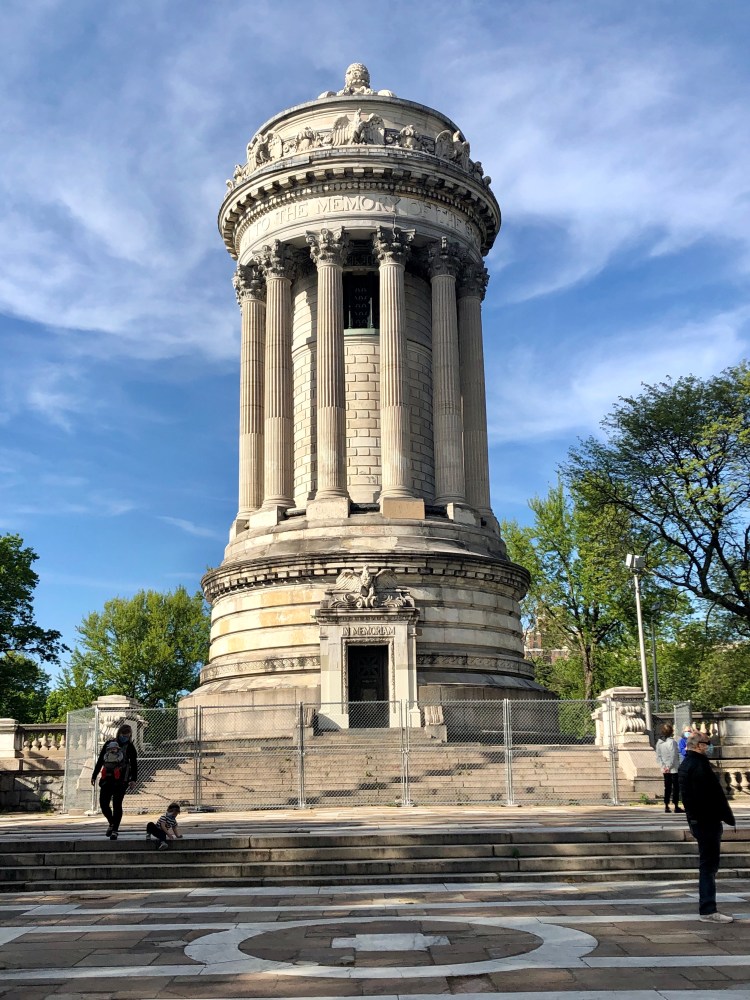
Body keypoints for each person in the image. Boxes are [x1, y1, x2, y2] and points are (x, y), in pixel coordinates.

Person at [678, 730, 736, 923]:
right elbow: (708, 796)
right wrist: (720, 815)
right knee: (709, 866)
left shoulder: (687, 763)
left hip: (698, 820)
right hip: (706, 821)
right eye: (706, 742)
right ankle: (708, 909)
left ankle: (708, 908)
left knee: (708, 865)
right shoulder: (699, 765)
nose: (709, 745)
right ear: (698, 745)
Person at [91, 724, 138, 840]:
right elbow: (101, 760)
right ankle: (112, 823)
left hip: (121, 780)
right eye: (123, 735)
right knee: (103, 804)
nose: (125, 737)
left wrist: (133, 779)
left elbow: (134, 765)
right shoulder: (108, 744)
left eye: (127, 735)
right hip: (107, 779)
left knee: (117, 804)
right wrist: (94, 775)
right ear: (119, 734)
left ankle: (115, 830)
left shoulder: (130, 747)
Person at [655, 723, 683, 813]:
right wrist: (669, 766)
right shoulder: (672, 742)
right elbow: (673, 755)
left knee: (667, 787)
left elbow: (658, 756)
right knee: (675, 787)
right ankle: (676, 805)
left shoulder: (659, 742)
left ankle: (666, 805)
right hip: (673, 768)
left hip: (665, 768)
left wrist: (663, 766)